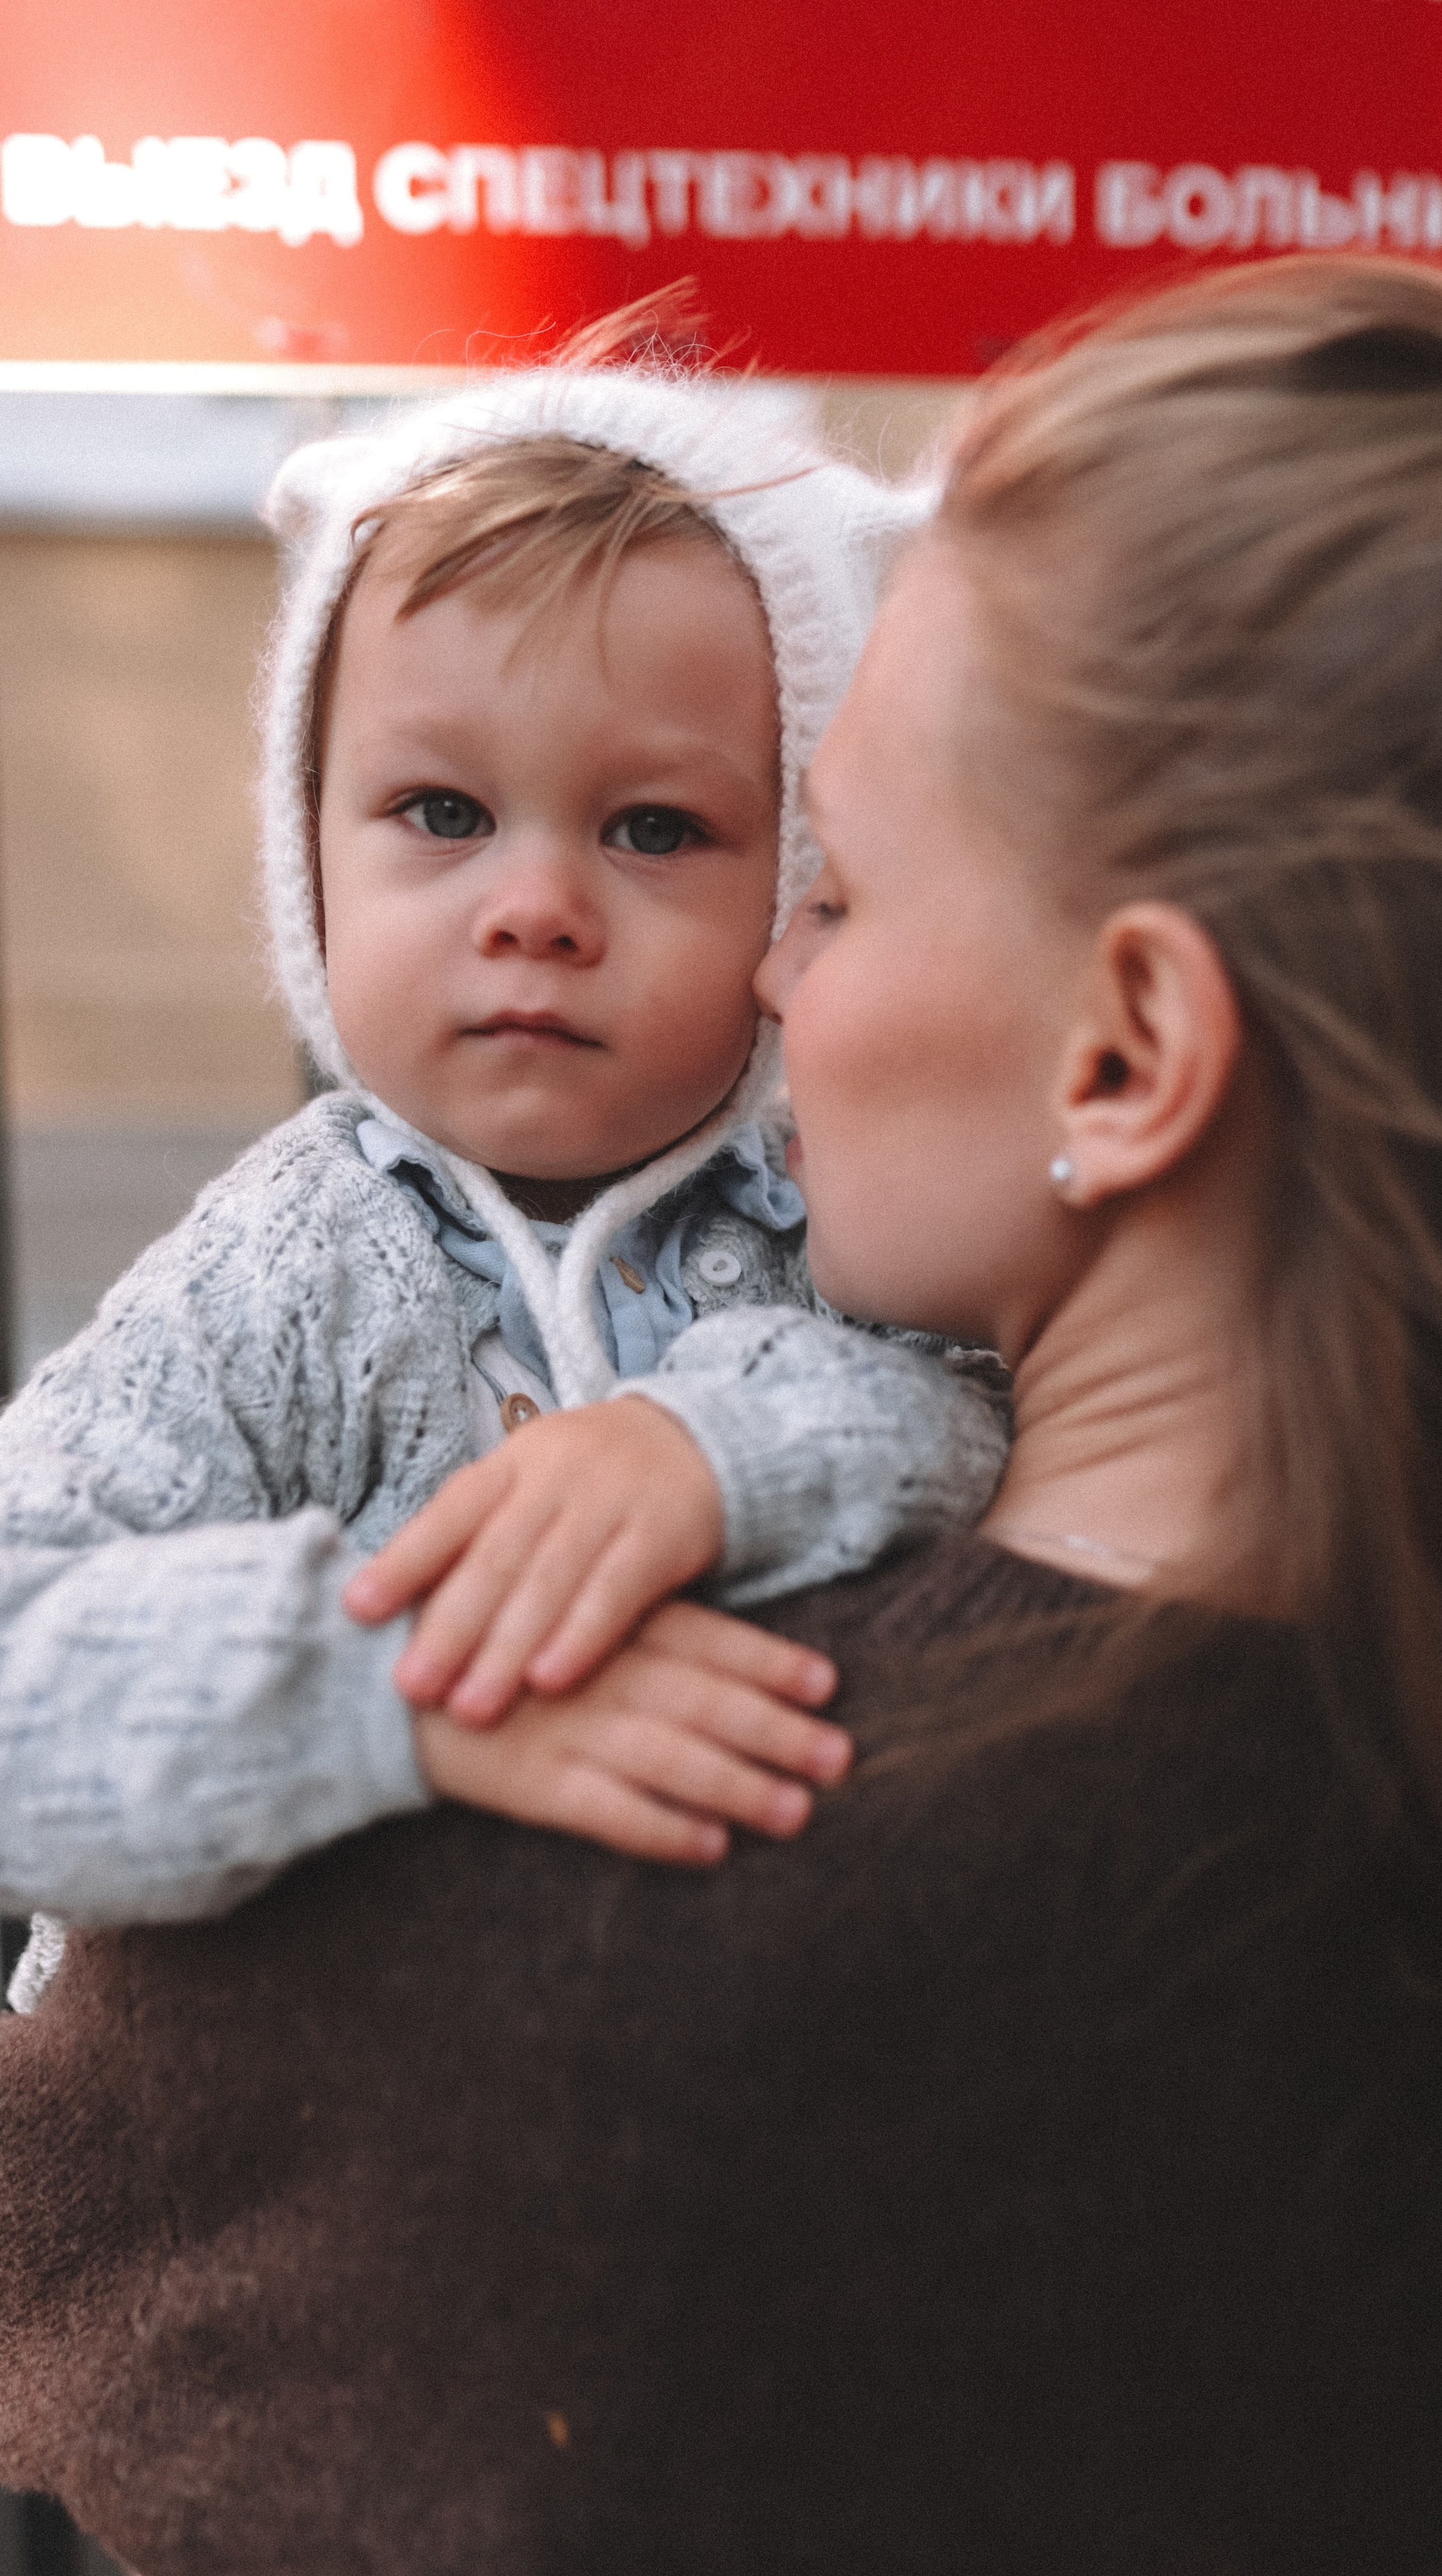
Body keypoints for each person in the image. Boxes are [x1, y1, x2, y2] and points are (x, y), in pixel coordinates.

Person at [0, 254, 1442, 2571]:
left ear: (1130, 1052)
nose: (773, 976)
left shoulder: (578, 1976)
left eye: (826, 879)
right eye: (437, 813)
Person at [0, 341, 1009, 1968]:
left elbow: (987, 1432)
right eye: (445, 813)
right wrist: (398, 1688)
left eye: (653, 828)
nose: (535, 908)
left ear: (797, 884)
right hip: (278, 2092)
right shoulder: (287, 1270)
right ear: (307, 852)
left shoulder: (846, 1232)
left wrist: (714, 1453)